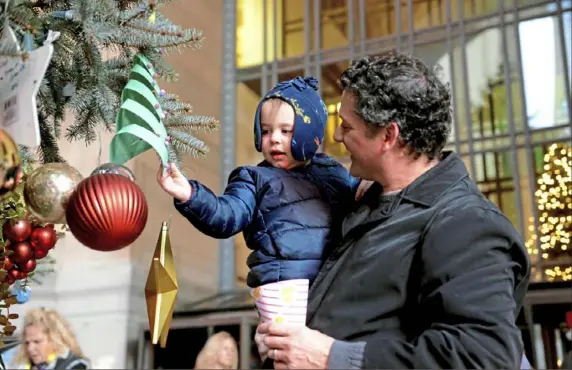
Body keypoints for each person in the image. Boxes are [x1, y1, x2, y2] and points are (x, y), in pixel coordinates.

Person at [254, 52, 531, 369]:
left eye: (347, 126)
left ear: (389, 135)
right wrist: (286, 341)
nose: (337, 136)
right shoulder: (367, 200)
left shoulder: (467, 223)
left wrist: (333, 358)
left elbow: (482, 357)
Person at [157, 76, 369, 306]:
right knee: (285, 341)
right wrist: (190, 195)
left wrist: (371, 182)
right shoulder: (253, 178)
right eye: (266, 131)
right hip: (284, 288)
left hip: (333, 283)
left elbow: (361, 201)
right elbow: (226, 215)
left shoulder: (330, 170)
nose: (274, 139)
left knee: (325, 340)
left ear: (310, 132)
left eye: (286, 131)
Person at [11, 308, 90, 369]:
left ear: (55, 339)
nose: (30, 348)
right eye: (27, 343)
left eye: (37, 342)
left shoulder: (76, 365)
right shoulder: (24, 366)